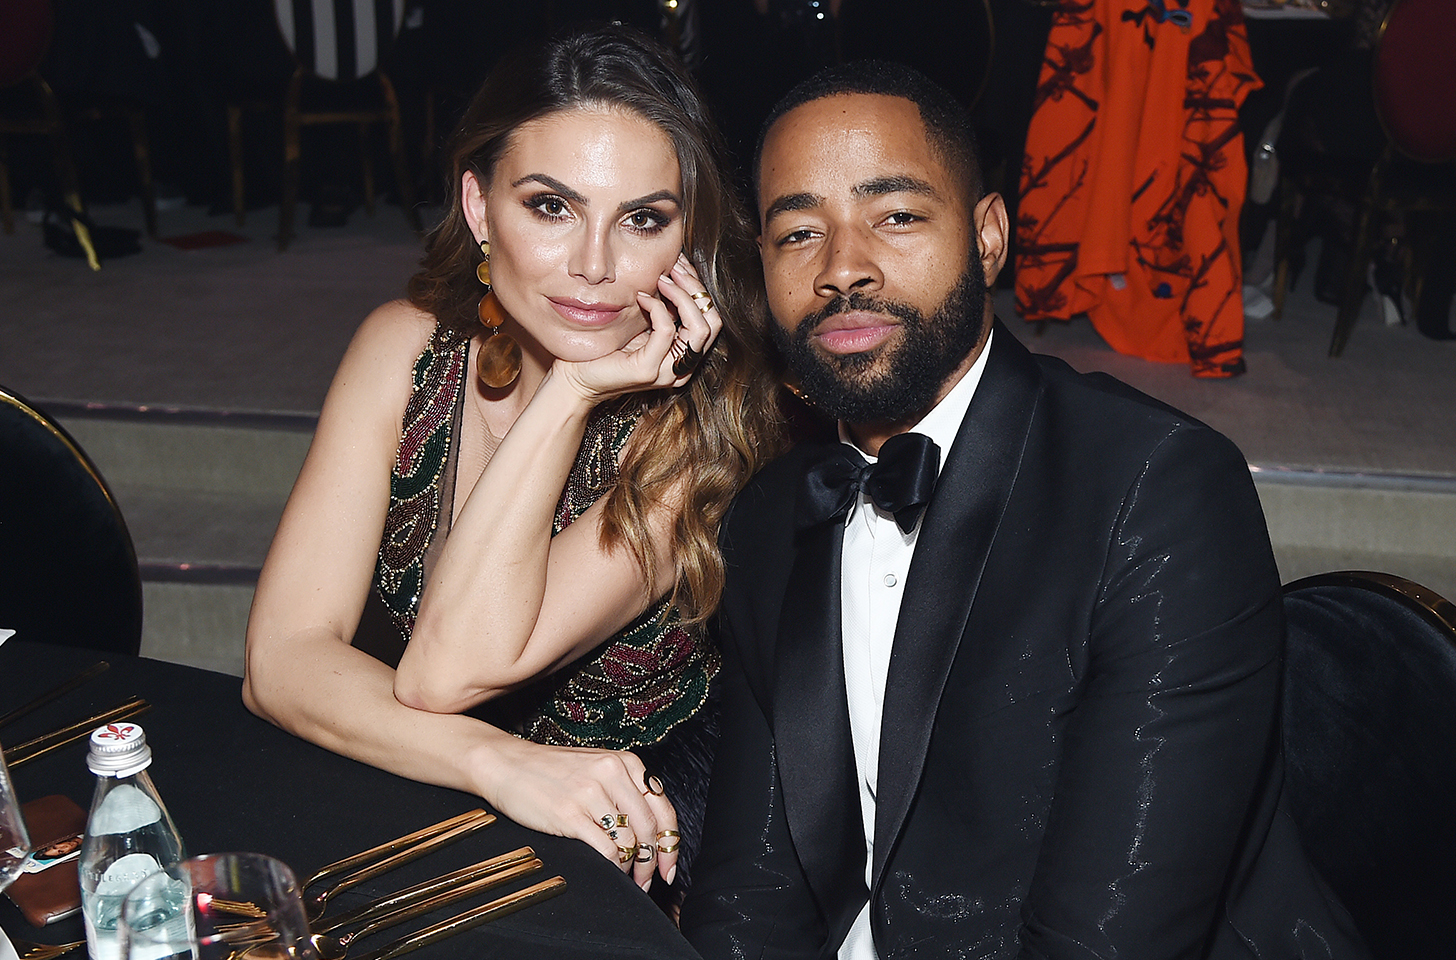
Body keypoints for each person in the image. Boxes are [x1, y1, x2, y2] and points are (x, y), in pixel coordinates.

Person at [679, 62, 1371, 958]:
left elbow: (1109, 939)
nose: (842, 269)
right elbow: (751, 885)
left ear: (990, 236)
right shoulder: (772, 515)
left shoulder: (1157, 491)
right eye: (798, 232)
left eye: (896, 216)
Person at [242, 24, 781, 899]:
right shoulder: (402, 349)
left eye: (643, 219)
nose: (595, 265)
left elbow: (448, 669)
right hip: (434, 776)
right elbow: (282, 660)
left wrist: (568, 393)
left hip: (632, 834)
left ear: (686, 240)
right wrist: (497, 761)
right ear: (477, 206)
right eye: (550, 206)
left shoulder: (697, 428)